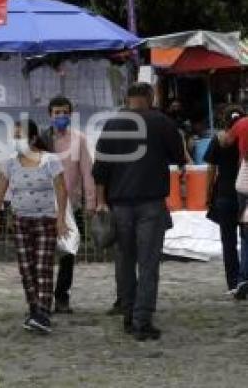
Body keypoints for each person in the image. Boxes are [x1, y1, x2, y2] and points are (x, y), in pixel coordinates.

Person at [92, 82, 185, 341]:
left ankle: (128, 313)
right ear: (150, 97)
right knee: (148, 263)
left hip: (120, 204)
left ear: (127, 99)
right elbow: (179, 156)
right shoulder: (163, 122)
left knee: (125, 261)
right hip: (151, 203)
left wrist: (100, 200)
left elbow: (100, 168)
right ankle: (142, 320)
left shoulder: (111, 125)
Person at [0, 120, 69, 334]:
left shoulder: (50, 160)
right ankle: (34, 309)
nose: (15, 140)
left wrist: (60, 219)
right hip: (21, 221)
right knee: (26, 268)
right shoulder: (10, 163)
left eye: (19, 136)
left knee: (43, 267)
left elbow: (61, 190)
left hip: (45, 220)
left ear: (32, 138)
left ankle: (43, 313)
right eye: (13, 136)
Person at [40, 96, 96, 314]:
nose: (61, 116)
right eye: (57, 113)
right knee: (43, 253)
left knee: (68, 252)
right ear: (50, 114)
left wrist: (90, 201)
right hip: (44, 204)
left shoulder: (79, 140)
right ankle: (42, 297)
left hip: (71, 205)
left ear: (70, 114)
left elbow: (87, 171)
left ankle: (62, 296)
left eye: (65, 112)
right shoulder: (42, 140)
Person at [205, 106, 247, 296]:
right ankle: (243, 278)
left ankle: (232, 282)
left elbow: (211, 169)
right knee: (246, 240)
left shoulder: (218, 140)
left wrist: (207, 194)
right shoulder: (244, 137)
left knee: (228, 241)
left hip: (224, 195)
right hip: (244, 195)